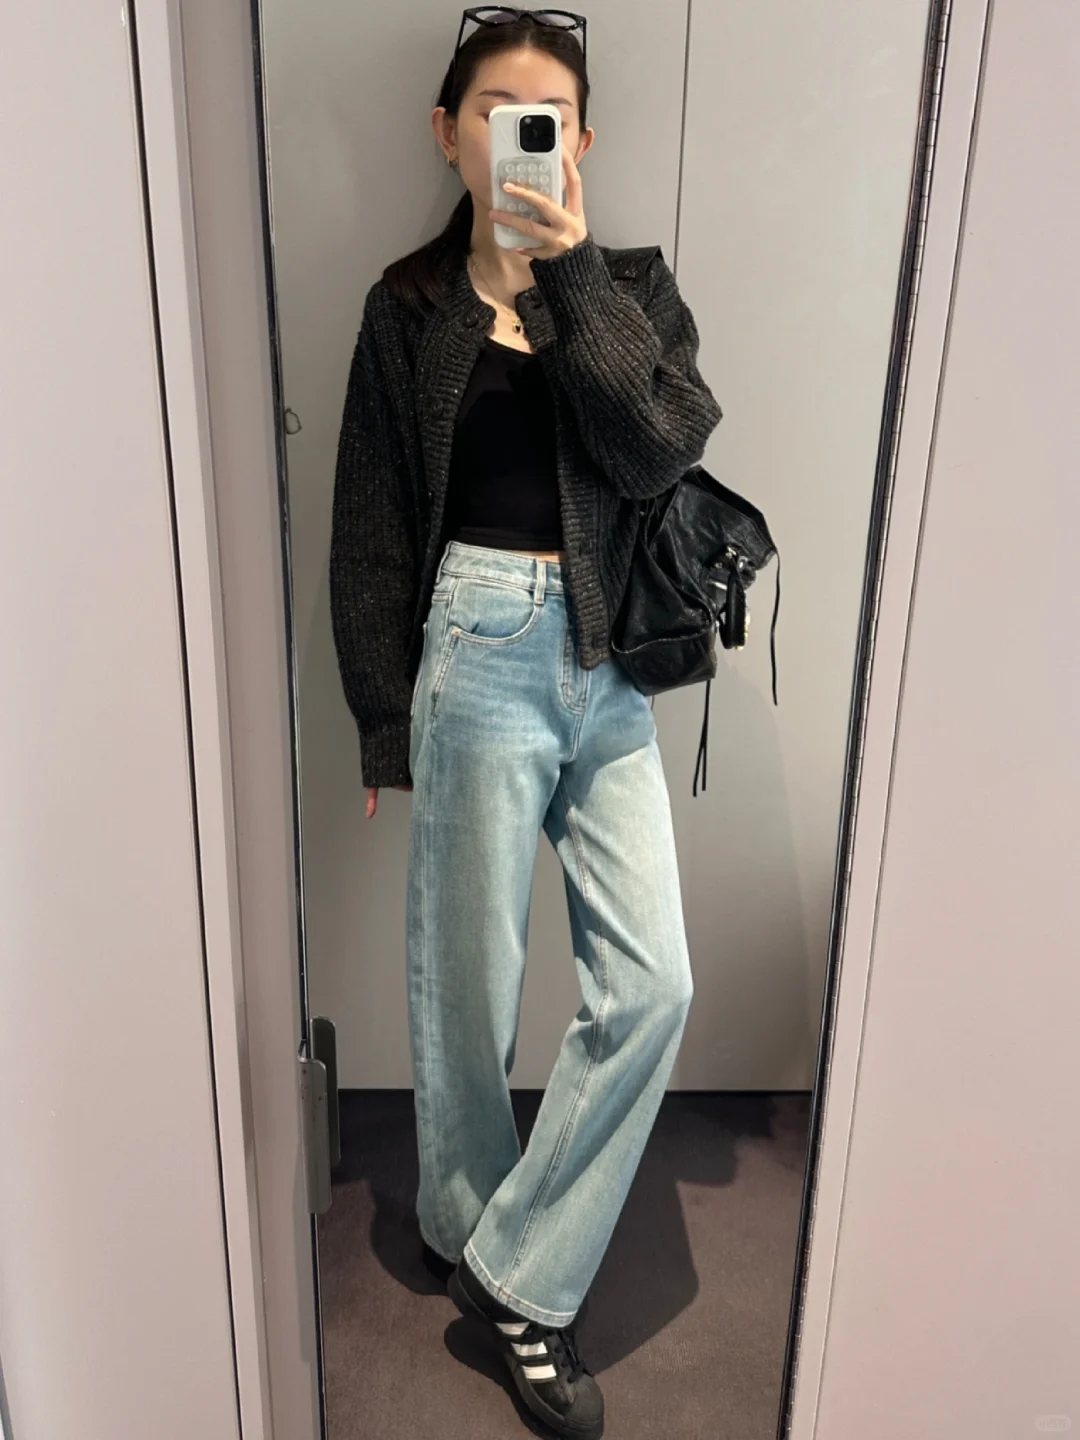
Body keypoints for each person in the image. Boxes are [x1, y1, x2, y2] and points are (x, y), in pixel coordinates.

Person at [329, 9, 722, 1436]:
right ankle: (460, 1221)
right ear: (449, 132)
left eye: (545, 115)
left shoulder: (632, 289)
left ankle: (519, 1272)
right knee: (470, 986)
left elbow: (664, 442)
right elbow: (373, 520)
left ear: (583, 141)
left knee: (655, 983)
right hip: (474, 646)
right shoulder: (408, 305)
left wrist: (564, 275)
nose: (519, 135)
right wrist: (383, 717)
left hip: (609, 659)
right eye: (495, 109)